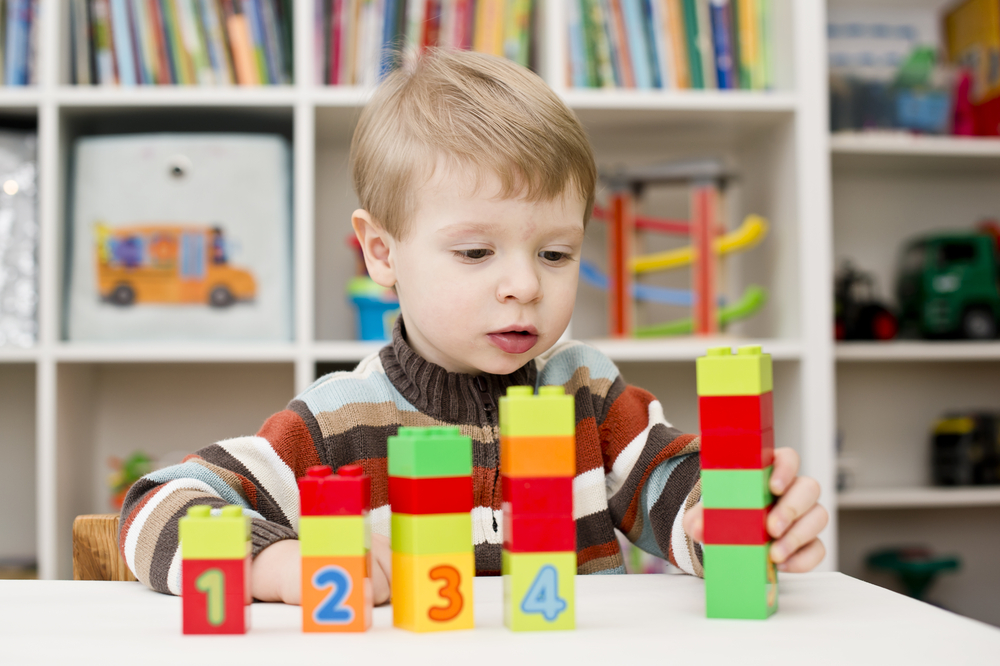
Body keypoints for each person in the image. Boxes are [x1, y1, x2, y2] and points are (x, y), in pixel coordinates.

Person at [119, 48, 827, 605]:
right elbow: (153, 505)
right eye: (476, 252)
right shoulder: (336, 423)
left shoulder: (593, 398)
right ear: (383, 253)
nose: (523, 284)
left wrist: (738, 519)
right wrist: (274, 562)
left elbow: (677, 493)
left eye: (555, 253)